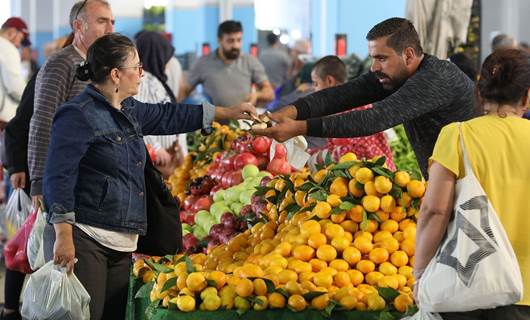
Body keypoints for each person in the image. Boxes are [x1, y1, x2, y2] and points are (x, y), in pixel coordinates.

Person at [43, 33, 255, 319]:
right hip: (87, 236)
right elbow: (58, 176)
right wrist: (63, 234)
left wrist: (225, 112)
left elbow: (169, 116)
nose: (142, 74)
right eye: (137, 68)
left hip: (122, 239)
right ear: (116, 74)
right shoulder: (77, 115)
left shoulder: (128, 108)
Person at [254, 17, 476, 177]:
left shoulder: (434, 78)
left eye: (381, 58)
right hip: (448, 179)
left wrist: (298, 127)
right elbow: (342, 94)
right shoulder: (395, 75)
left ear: (408, 55)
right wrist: (288, 112)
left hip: (474, 182)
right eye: (372, 57)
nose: (374, 67)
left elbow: (375, 118)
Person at [415, 48, 530, 319]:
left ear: (479, 93)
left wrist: (419, 272)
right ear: (527, 95)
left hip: (463, 283)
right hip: (525, 290)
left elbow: (434, 211)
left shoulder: (457, 135)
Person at [28, 0, 114, 208]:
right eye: (102, 21)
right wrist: (39, 181)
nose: (110, 29)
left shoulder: (98, 65)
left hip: (92, 179)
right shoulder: (61, 63)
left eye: (112, 22)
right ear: (78, 26)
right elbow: (42, 119)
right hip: (65, 178)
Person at [309, 55, 395, 170]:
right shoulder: (338, 107)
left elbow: (359, 151)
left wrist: (320, 157)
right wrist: (311, 153)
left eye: (316, 83)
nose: (313, 89)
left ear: (330, 81)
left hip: (377, 180)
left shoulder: (351, 107)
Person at [181, 20, 274, 107]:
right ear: (219, 40)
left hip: (242, 122)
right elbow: (184, 91)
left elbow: (270, 93)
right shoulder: (203, 63)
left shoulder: (250, 61)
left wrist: (257, 95)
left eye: (239, 40)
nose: (235, 45)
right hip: (213, 123)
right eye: (230, 41)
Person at [134, 31, 182, 177]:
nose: (168, 62)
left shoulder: (155, 80)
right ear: (156, 55)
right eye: (165, 56)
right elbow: (138, 116)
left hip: (166, 156)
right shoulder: (142, 81)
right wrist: (156, 148)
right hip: (157, 159)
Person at [0, 17, 30, 125]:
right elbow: (14, 87)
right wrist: (32, 99)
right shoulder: (8, 48)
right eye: (20, 39)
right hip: (4, 118)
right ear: (11, 32)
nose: (18, 45)